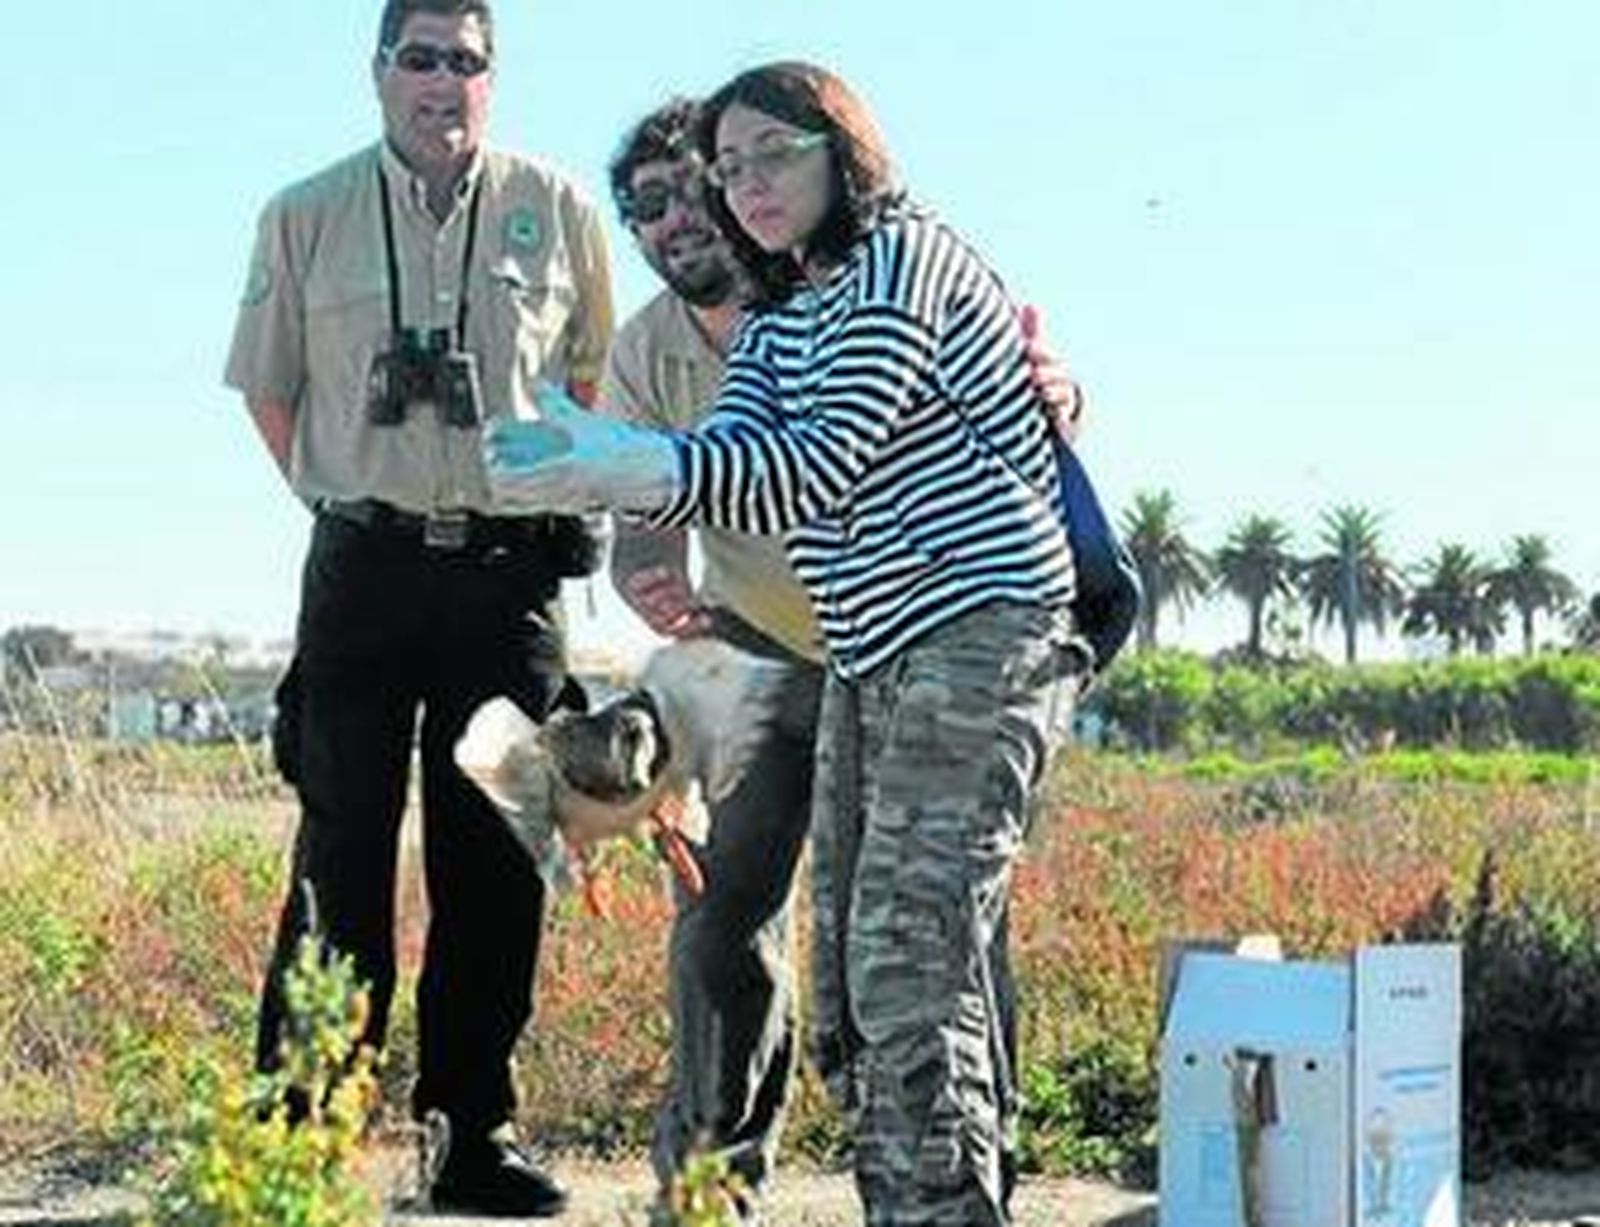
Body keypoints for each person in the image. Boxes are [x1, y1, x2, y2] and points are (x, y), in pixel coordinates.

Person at [488, 61, 1090, 1227]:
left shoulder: (899, 262)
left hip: (975, 632)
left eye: (773, 157)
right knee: (856, 968)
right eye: (731, 167)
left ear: (843, 150)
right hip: (853, 651)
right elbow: (739, 453)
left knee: (915, 960)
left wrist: (636, 465)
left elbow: (810, 464)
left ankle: (953, 1206)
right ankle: (863, 1201)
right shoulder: (785, 311)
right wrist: (621, 474)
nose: (743, 188)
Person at [223, 0, 612, 1216]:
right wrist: (357, 498)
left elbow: (590, 380)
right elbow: (272, 396)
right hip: (364, 571)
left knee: (495, 856)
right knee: (339, 848)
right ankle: (302, 1128)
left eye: (468, 62)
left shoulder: (558, 210)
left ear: (493, 79)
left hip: (508, 581)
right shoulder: (304, 212)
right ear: (378, 72)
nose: (444, 82)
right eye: (422, 58)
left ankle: (468, 1137)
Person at [601, 99, 827, 1218]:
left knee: (930, 936)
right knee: (718, 925)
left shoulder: (829, 292)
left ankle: (955, 1184)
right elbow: (635, 526)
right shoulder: (641, 351)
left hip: (901, 653)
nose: (677, 216)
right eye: (648, 205)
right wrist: (645, 576)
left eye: (698, 185)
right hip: (751, 656)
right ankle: (704, 1192)